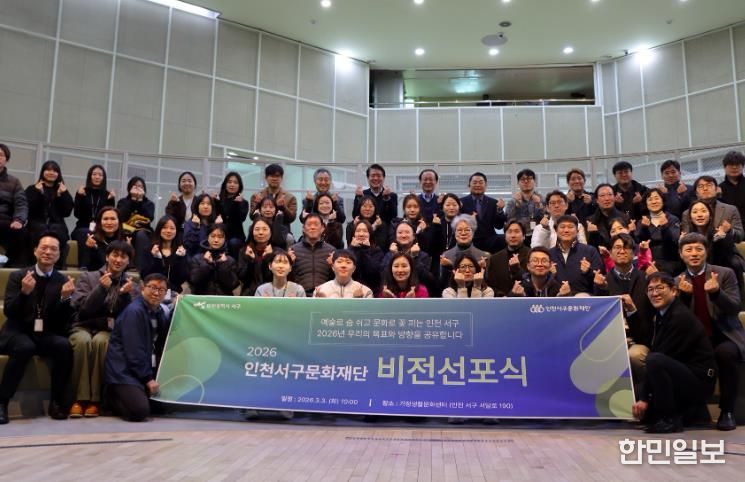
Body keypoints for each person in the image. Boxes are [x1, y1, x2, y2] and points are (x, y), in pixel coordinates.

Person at [0, 233, 75, 424]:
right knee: (25, 347)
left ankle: (56, 402)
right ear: (35, 251)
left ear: (59, 255)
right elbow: (9, 311)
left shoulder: (61, 280)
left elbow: (62, 322)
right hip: (18, 331)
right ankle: (2, 402)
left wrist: (65, 299)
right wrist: (24, 294)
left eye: (53, 249)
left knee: (63, 346)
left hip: (45, 332)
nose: (48, 252)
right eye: (44, 247)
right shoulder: (18, 276)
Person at [632, 272, 716, 434]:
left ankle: (670, 419)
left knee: (655, 360)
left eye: (660, 288)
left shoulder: (679, 316)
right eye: (650, 289)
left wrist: (644, 398)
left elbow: (660, 357)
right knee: (634, 394)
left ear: (674, 291)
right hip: (683, 373)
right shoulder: (662, 313)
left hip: (700, 380)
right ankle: (693, 415)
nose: (654, 293)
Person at [676, 233, 745, 431]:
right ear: (681, 254)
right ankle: (691, 410)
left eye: (699, 249)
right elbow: (676, 319)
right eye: (688, 250)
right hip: (694, 340)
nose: (694, 253)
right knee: (675, 354)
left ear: (706, 251)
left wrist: (716, 293)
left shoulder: (724, 274)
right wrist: (683, 297)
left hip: (724, 335)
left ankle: (727, 411)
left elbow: (734, 307)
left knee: (726, 353)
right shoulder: (676, 280)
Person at [69, 241, 138, 418]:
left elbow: (129, 317)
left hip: (109, 330)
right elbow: (82, 310)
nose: (118, 260)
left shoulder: (132, 284)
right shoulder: (88, 277)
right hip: (83, 326)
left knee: (102, 342)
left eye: (123, 257)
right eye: (115, 255)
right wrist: (101, 289)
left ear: (128, 261)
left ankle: (95, 400)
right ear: (107, 256)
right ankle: (79, 399)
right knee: (82, 342)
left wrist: (125, 296)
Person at [103, 273, 171, 422]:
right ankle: (111, 397)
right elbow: (134, 352)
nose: (156, 293)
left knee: (160, 408)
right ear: (142, 288)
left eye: (161, 290)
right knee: (139, 411)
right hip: (124, 371)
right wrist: (148, 379)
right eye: (152, 287)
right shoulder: (134, 312)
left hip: (143, 369)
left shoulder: (159, 312)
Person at [593, 233, 654, 396]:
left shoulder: (646, 279)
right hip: (611, 341)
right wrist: (600, 290)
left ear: (634, 254)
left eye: (626, 248)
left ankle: (644, 398)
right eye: (617, 248)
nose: (621, 251)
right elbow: (598, 320)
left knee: (635, 355)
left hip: (639, 340)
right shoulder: (603, 282)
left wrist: (632, 310)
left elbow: (648, 322)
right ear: (610, 253)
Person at [684, 200, 745, 291]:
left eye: (703, 211)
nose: (699, 215)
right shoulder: (687, 237)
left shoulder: (719, 235)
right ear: (690, 217)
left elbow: (726, 257)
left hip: (720, 272)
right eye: (695, 212)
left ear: (710, 216)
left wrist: (722, 237)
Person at [25, 160, 74, 269]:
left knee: (59, 232)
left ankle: (58, 267)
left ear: (58, 174)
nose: (51, 173)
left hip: (57, 226)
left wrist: (61, 195)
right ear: (43, 172)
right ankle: (35, 266)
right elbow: (28, 209)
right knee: (38, 230)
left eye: (55, 171)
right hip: (36, 225)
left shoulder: (62, 189)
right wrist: (39, 193)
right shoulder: (32, 189)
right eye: (48, 170)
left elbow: (67, 212)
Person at [71, 164, 115, 266]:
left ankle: (104, 266)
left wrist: (111, 200)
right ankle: (83, 266)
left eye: (100, 175)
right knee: (87, 233)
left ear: (103, 178)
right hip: (82, 227)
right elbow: (77, 214)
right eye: (94, 174)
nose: (97, 177)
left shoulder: (107, 194)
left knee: (97, 234)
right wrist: (80, 197)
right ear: (90, 176)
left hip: (101, 229)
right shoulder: (82, 191)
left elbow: (110, 215)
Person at [549, 215, 603, 295]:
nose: (566, 230)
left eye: (570, 227)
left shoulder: (590, 251)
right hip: (556, 299)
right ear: (556, 230)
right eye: (562, 227)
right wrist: (550, 275)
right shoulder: (549, 254)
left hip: (583, 298)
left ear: (577, 231)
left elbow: (600, 280)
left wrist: (588, 272)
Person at [681, 175, 744, 242]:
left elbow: (740, 236)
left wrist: (729, 231)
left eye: (709, 185)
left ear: (716, 189)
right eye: (700, 186)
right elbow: (686, 239)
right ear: (696, 193)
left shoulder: (730, 210)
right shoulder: (687, 213)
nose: (705, 188)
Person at [636, 188, 682, 275]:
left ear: (663, 201)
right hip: (649, 263)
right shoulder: (642, 222)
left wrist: (665, 227)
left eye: (657, 198)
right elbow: (640, 244)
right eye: (650, 199)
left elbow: (674, 241)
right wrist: (644, 228)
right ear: (646, 203)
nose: (654, 202)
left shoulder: (673, 219)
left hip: (670, 262)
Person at [140, 215, 189, 298]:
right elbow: (144, 275)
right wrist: (156, 259)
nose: (168, 231)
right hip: (152, 293)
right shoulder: (149, 249)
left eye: (172, 228)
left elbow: (182, 278)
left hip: (173, 294)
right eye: (165, 227)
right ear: (159, 229)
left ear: (176, 231)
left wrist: (178, 259)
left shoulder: (181, 251)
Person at [382, 220, 434, 295]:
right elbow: (383, 277)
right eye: (400, 233)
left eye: (407, 232)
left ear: (414, 236)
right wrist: (394, 256)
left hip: (417, 293)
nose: (403, 235)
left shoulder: (423, 256)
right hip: (392, 292)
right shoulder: (389, 255)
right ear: (395, 237)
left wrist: (414, 257)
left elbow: (427, 280)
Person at [289, 214, 334, 296]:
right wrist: (289, 263)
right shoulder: (293, 250)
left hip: (325, 296)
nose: (312, 227)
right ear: (303, 228)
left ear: (322, 228)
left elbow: (336, 278)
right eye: (309, 225)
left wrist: (333, 266)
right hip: (300, 295)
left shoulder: (331, 251)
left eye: (316, 224)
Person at [0, 142, 30, 267]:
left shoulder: (14, 182)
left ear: (6, 159)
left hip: (5, 222)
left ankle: (14, 269)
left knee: (22, 232)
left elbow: (21, 204)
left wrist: (18, 220)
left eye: (1, 155)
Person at [460, 172, 505, 252]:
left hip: (490, 241)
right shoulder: (461, 202)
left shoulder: (493, 203)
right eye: (474, 183)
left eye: (481, 182)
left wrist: (500, 210)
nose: (478, 185)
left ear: (486, 185)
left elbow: (499, 226)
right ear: (469, 185)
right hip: (469, 241)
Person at [117, 176, 155, 272]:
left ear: (144, 189)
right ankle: (126, 265)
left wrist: (140, 200)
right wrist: (133, 200)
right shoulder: (123, 202)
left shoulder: (149, 203)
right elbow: (121, 217)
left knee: (141, 235)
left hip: (143, 230)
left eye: (140, 186)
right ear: (129, 188)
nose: (138, 188)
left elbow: (149, 218)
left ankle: (139, 267)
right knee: (123, 234)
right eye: (135, 186)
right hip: (126, 229)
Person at [189, 224, 240, 296]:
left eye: (220, 237)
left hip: (223, 300)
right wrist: (206, 263)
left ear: (225, 239)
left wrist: (223, 265)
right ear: (207, 237)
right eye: (213, 236)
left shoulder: (230, 260)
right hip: (202, 300)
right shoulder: (197, 258)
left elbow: (233, 285)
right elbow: (194, 282)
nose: (216, 240)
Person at [249, 164, 297, 234]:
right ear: (266, 178)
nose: (274, 179)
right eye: (271, 176)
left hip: (282, 232)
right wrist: (258, 204)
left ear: (281, 178)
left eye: (277, 176)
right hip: (261, 231)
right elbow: (252, 217)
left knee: (289, 238)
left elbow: (291, 219)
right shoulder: (256, 196)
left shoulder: (290, 197)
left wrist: (283, 207)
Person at [486, 219, 529, 297]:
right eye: (509, 232)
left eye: (517, 231)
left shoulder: (532, 256)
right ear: (505, 236)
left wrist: (518, 270)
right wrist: (503, 297)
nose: (513, 235)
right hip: (501, 301)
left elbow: (533, 282)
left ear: (524, 236)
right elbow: (490, 285)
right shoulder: (494, 259)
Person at [238, 219, 279, 296]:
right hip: (250, 294)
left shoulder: (277, 252)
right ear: (252, 232)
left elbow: (273, 278)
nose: (260, 232)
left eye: (265, 229)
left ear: (271, 232)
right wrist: (251, 261)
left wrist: (268, 257)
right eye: (257, 229)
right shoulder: (245, 251)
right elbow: (242, 278)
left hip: (272, 294)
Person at [79, 206, 124, 272]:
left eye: (113, 219)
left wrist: (128, 250)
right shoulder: (91, 238)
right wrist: (90, 247)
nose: (109, 223)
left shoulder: (125, 239)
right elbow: (84, 267)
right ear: (99, 222)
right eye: (105, 219)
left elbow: (127, 267)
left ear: (119, 222)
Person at [505, 169, 545, 242]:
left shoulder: (542, 199)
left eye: (529, 179)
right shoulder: (513, 201)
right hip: (519, 236)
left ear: (534, 182)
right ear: (518, 183)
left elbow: (548, 218)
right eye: (522, 179)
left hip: (539, 235)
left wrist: (539, 205)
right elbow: (507, 220)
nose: (526, 181)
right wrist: (516, 206)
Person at [216, 171, 249, 259]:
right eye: (229, 182)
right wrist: (215, 201)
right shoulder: (218, 200)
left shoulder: (243, 202)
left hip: (236, 236)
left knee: (233, 243)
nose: (232, 184)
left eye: (235, 182)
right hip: (219, 233)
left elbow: (241, 218)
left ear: (239, 186)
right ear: (225, 184)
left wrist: (237, 204)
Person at [587, 183, 630, 249]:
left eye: (610, 195)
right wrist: (593, 235)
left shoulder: (625, 218)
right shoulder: (591, 221)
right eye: (602, 195)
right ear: (597, 200)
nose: (606, 198)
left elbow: (630, 244)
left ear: (615, 197)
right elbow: (589, 248)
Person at [347, 220, 384, 294]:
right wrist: (352, 248)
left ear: (370, 234)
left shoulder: (377, 251)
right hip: (351, 291)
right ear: (353, 234)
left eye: (365, 231)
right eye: (358, 231)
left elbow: (372, 272)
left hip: (371, 291)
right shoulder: (349, 251)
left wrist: (365, 249)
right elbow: (348, 270)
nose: (361, 234)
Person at [183, 193, 218, 257]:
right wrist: (196, 228)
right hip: (196, 258)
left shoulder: (216, 223)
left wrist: (218, 226)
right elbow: (189, 246)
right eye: (202, 203)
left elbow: (223, 246)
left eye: (209, 204)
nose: (206, 206)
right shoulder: (190, 224)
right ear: (197, 206)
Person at [720, 150, 745, 224]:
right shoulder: (719, 188)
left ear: (743, 167)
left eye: (737, 164)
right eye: (731, 164)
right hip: (730, 227)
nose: (734, 167)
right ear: (724, 167)